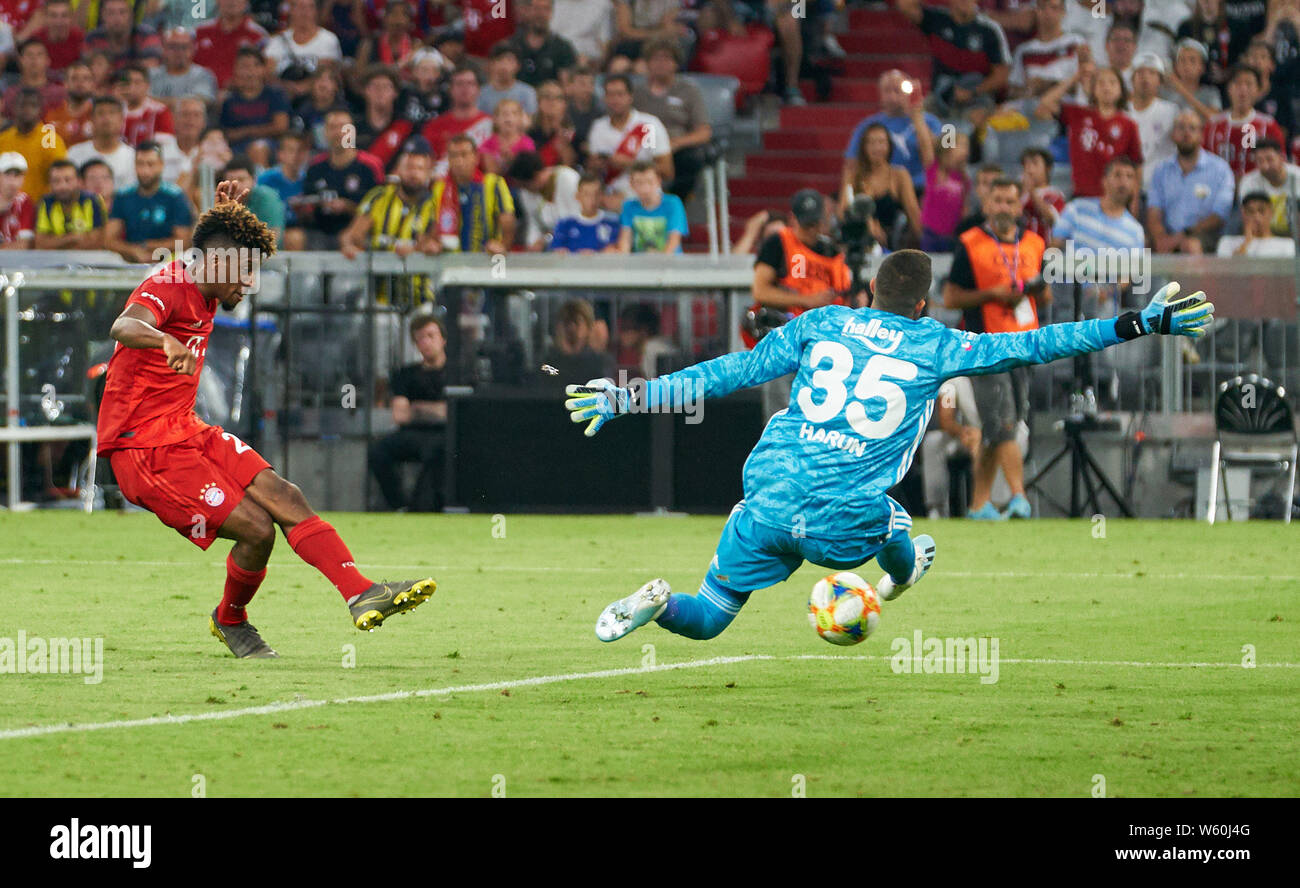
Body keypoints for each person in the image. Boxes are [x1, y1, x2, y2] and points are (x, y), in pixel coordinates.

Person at [569, 251, 1213, 643]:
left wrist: (627, 396)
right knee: (895, 522)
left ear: (869, 293)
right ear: (925, 303)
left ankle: (656, 606)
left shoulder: (820, 321)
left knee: (709, 619)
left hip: (766, 491)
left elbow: (724, 373)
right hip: (843, 515)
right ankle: (898, 580)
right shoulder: (939, 344)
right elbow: (1039, 342)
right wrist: (1139, 322)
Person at [98, 180, 437, 658]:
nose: (251, 282)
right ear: (218, 264)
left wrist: (223, 217)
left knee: (284, 494)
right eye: (246, 271)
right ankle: (231, 620)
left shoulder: (210, 280)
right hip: (143, 450)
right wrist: (163, 341)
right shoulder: (167, 285)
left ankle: (361, 592)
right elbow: (123, 325)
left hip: (186, 430)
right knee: (258, 529)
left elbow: (212, 248)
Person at [943, 178, 1049, 520]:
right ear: (986, 205)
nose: (1004, 208)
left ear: (1020, 207)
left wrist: (1027, 290)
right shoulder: (970, 244)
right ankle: (1020, 498)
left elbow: (1044, 296)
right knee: (1004, 423)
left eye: (1010, 201)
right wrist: (994, 294)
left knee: (1001, 426)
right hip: (985, 348)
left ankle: (978, 505)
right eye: (997, 201)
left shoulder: (1034, 243)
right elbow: (950, 297)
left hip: (1024, 344)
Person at [370, 312, 449, 512]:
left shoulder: (457, 373)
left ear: (443, 339)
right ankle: (399, 504)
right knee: (378, 451)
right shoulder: (406, 374)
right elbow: (400, 415)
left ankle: (422, 507)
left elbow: (454, 413)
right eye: (420, 338)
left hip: (445, 435)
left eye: (431, 336)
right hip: (411, 433)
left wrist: (418, 408)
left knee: (438, 451)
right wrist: (438, 410)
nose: (426, 342)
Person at [1037, 63, 1143, 198]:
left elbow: (1136, 166)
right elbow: (1043, 107)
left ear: (1121, 90)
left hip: (1115, 199)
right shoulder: (1077, 114)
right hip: (1082, 196)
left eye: (1112, 82)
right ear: (1093, 89)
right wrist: (1075, 78)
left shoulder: (1129, 124)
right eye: (1101, 83)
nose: (1107, 87)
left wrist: (1134, 201)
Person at [896, 0, 1011, 125]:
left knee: (973, 121)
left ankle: (962, 142)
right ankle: (942, 141)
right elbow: (904, 5)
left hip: (977, 98)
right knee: (917, 120)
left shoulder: (990, 30)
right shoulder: (937, 19)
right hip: (939, 97)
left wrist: (972, 92)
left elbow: (1002, 74)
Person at [632, 37, 711, 199]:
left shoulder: (688, 91)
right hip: (642, 146)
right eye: (655, 59)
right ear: (647, 63)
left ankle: (675, 199)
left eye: (666, 58)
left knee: (693, 158)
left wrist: (675, 143)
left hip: (677, 147)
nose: (661, 63)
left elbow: (704, 131)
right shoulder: (636, 93)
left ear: (676, 63)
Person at [1147, 110, 1235, 253]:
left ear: (1201, 135)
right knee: (1143, 243)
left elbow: (1219, 216)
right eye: (1181, 128)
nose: (1186, 133)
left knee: (1191, 245)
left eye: (1192, 128)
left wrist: (1182, 235)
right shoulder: (1161, 170)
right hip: (1169, 232)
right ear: (1173, 135)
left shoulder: (1220, 169)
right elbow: (1154, 211)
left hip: (1205, 234)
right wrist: (1160, 237)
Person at [842, 71, 942, 194]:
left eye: (897, 90)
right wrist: (848, 196)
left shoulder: (932, 122)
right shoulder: (867, 126)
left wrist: (917, 119)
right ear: (880, 94)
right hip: (882, 190)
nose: (893, 97)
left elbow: (938, 159)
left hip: (921, 187)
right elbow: (852, 165)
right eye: (887, 91)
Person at [298, 107, 383, 251]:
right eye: (332, 127)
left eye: (344, 128)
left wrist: (348, 207)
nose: (338, 133)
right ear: (324, 133)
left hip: (358, 231)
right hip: (321, 231)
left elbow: (382, 207)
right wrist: (305, 209)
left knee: (354, 237)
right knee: (294, 237)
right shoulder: (315, 166)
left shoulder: (370, 166)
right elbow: (308, 203)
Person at [585, 73, 672, 207]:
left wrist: (629, 164)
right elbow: (593, 172)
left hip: (643, 189)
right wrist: (596, 165)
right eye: (610, 95)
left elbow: (667, 171)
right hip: (608, 190)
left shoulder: (649, 125)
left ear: (630, 97)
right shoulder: (598, 127)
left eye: (620, 94)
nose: (615, 100)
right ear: (604, 98)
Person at [105, 140, 194, 263]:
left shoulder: (175, 196)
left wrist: (146, 247)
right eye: (140, 164)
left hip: (168, 265)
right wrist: (132, 250)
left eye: (150, 164)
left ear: (161, 165)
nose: (145, 171)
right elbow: (109, 240)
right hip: (131, 263)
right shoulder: (123, 196)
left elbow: (184, 241)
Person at [840, 121, 922, 250]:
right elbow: (842, 211)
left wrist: (925, 244)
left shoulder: (899, 174)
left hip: (889, 243)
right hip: (858, 242)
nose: (877, 148)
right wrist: (867, 223)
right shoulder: (853, 175)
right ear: (864, 147)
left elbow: (913, 212)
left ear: (889, 146)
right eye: (871, 143)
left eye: (881, 142)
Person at [429, 133, 516, 254]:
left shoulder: (493, 183)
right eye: (454, 156)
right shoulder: (439, 187)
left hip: (484, 260)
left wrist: (502, 245)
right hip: (449, 261)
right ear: (448, 159)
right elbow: (433, 223)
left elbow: (507, 220)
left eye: (464, 155)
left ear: (476, 157)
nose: (459, 161)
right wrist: (432, 243)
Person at [1202, 63, 1285, 181]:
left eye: (1249, 84)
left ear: (1258, 90)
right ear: (1228, 88)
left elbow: (1280, 163)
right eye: (1237, 83)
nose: (1243, 89)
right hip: (1219, 191)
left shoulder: (1269, 126)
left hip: (1257, 193)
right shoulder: (1213, 125)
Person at [0, 86, 67, 202]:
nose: (27, 109)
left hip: (40, 207)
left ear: (40, 110)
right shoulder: (3, 139)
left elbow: (61, 177)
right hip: (7, 208)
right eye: (23, 105)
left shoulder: (50, 139)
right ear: (14, 108)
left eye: (33, 105)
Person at [1127, 52, 1179, 189]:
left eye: (1152, 73)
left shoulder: (1172, 111)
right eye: (1140, 72)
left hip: (1162, 187)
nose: (1145, 77)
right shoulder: (1122, 112)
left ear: (1160, 81)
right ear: (1132, 79)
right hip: (1128, 188)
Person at [615, 160, 687, 254]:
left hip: (670, 264)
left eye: (649, 182)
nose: (645, 188)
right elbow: (625, 240)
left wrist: (659, 264)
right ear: (631, 185)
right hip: (640, 265)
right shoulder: (628, 206)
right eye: (639, 183)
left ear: (658, 181)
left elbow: (674, 241)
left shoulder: (673, 203)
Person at [194, 0, 269, 89]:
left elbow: (263, 73)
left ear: (246, 2)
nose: (232, 2)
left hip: (239, 95)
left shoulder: (258, 36)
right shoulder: (199, 32)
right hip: (200, 93)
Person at [34, 157, 106, 249]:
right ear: (50, 184)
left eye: (68, 180)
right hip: (54, 260)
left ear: (78, 181)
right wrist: (73, 238)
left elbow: (97, 242)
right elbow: (40, 244)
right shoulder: (46, 202)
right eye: (56, 181)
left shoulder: (93, 201)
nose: (62, 186)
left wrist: (56, 241)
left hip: (88, 260)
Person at [66, 96, 136, 191]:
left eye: (112, 113)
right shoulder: (74, 153)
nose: (107, 118)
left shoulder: (132, 157)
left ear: (122, 120)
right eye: (101, 113)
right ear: (92, 119)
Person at [1237, 138, 1300, 237]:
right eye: (1260, 161)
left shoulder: (1297, 178)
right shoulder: (1249, 182)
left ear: (1281, 158)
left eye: (1269, 159)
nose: (1265, 166)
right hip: (1263, 237)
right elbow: (1248, 220)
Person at [506, 0, 578, 86]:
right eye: (536, 8)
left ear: (551, 12)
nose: (540, 14)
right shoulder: (512, 45)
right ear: (528, 10)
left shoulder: (563, 48)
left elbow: (567, 85)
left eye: (545, 9)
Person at [547, 171, 619, 253]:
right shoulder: (565, 224)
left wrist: (596, 255)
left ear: (601, 196)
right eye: (586, 194)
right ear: (578, 196)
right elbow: (556, 252)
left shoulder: (613, 222)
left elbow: (616, 251)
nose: (592, 199)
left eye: (596, 194)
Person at [148, 26, 217, 108]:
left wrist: (154, 102)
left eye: (184, 47)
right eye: (173, 47)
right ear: (163, 49)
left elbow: (198, 103)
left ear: (193, 49)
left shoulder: (204, 75)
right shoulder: (149, 75)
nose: (179, 52)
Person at [1216, 191, 1297, 256]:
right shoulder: (1226, 242)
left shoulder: (1287, 244)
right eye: (1251, 212)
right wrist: (1247, 242)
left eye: (1261, 211)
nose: (1256, 217)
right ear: (1243, 214)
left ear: (1271, 213)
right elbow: (1229, 273)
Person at [478, 42, 538, 118]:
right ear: (491, 64)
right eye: (499, 60)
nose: (504, 66)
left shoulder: (528, 92)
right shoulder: (481, 93)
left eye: (509, 60)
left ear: (518, 66)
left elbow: (530, 120)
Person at [1019, 146, 1065, 241]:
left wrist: (1032, 191)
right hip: (1021, 249)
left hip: (1046, 250)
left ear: (1047, 168)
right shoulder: (1016, 194)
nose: (1029, 169)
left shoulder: (1055, 195)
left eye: (1034, 163)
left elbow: (1053, 220)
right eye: (1026, 164)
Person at [0, 152, 34, 249]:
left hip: (16, 262)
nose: (12, 181)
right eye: (8, 174)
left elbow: (24, 245)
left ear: (24, 179)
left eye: (17, 175)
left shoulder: (25, 202)